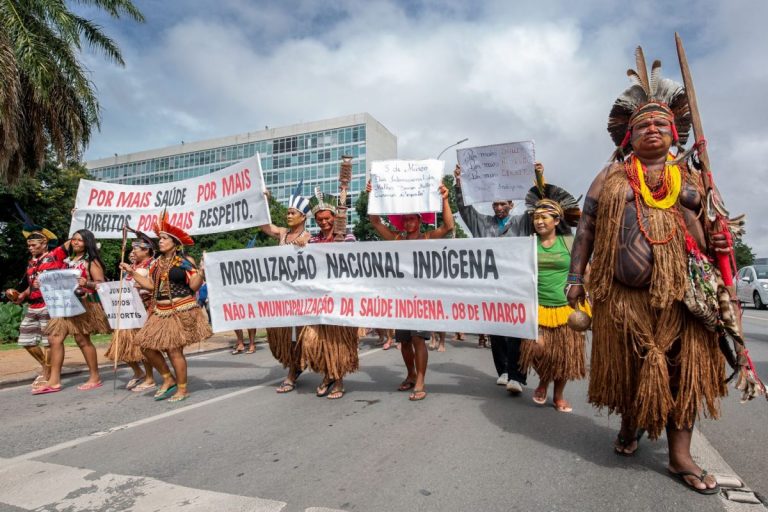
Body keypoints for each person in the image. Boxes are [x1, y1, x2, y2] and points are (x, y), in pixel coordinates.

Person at [567, 49, 729, 493]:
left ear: (674, 133)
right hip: (623, 297)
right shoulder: (610, 176)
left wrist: (718, 243)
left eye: (660, 124)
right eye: (643, 125)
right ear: (629, 136)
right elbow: (585, 229)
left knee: (684, 372)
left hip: (682, 299)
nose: (652, 130)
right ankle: (629, 424)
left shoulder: (692, 178)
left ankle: (680, 456)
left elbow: (711, 232)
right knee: (629, 368)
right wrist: (575, 276)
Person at [367, 180, 455, 401]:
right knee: (404, 341)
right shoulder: (396, 239)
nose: (408, 222)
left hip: (422, 298)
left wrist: (444, 199)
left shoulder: (428, 238)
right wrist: (372, 195)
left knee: (418, 339)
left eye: (412, 219)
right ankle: (410, 374)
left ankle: (421, 381)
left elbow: (449, 227)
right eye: (405, 219)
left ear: (419, 220)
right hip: (401, 299)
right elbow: (375, 222)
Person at [454, 164, 534, 393]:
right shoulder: (482, 223)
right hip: (491, 286)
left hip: (516, 286)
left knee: (517, 331)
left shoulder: (523, 222)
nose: (499, 207)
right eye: (496, 204)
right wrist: (459, 184)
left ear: (511, 205)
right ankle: (504, 371)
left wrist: (538, 178)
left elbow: (539, 206)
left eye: (503, 203)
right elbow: (464, 208)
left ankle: (518, 377)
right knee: (497, 330)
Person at [121, 212, 211, 402]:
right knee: (144, 345)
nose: (160, 241)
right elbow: (151, 286)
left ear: (175, 242)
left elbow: (193, 286)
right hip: (159, 311)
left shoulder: (185, 262)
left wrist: (202, 273)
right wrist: (132, 273)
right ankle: (167, 378)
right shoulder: (155, 264)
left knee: (173, 350)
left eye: (164, 238)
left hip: (180, 310)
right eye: (159, 238)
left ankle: (182, 388)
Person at [519, 198, 587, 412]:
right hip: (537, 306)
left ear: (557, 220)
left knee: (564, 356)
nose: (539, 221)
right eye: (536, 217)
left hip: (567, 306)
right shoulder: (529, 243)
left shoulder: (569, 241)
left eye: (544, 217)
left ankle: (558, 396)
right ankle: (542, 380)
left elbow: (586, 270)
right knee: (537, 347)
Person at [302, 187, 359, 399]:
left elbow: (355, 264)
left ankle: (338, 380)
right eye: (319, 220)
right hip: (318, 300)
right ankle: (328, 375)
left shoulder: (349, 237)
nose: (324, 223)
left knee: (338, 343)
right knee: (317, 341)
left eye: (327, 218)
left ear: (335, 217)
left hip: (340, 299)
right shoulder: (313, 241)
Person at [258, 181, 312, 393]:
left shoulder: (307, 237)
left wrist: (305, 246)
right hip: (280, 294)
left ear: (303, 217)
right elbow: (264, 226)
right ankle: (295, 365)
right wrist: (265, 201)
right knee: (284, 335)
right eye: (287, 213)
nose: (288, 216)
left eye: (292, 213)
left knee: (298, 334)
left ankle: (293, 372)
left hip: (300, 295)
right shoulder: (281, 233)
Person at [4, 221, 67, 394]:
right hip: (33, 305)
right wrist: (22, 295)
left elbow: (69, 244)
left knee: (48, 343)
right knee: (26, 340)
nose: (30, 248)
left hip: (49, 306)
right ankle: (45, 366)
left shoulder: (55, 256)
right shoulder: (32, 262)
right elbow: (31, 285)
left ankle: (47, 373)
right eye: (29, 245)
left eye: (33, 245)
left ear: (44, 243)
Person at [45, 229, 111, 391]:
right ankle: (54, 381)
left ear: (87, 243)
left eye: (79, 240)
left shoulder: (92, 262)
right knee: (54, 339)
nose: (75, 242)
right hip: (64, 304)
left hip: (83, 304)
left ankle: (94, 376)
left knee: (82, 340)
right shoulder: (67, 261)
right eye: (73, 239)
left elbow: (101, 284)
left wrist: (86, 283)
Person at [105, 231, 157, 391]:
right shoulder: (131, 266)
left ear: (146, 250)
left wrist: (140, 285)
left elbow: (154, 286)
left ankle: (150, 378)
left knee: (145, 347)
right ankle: (138, 372)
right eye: (132, 248)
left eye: (137, 248)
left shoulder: (153, 265)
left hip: (146, 309)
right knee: (122, 345)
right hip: (128, 311)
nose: (133, 251)